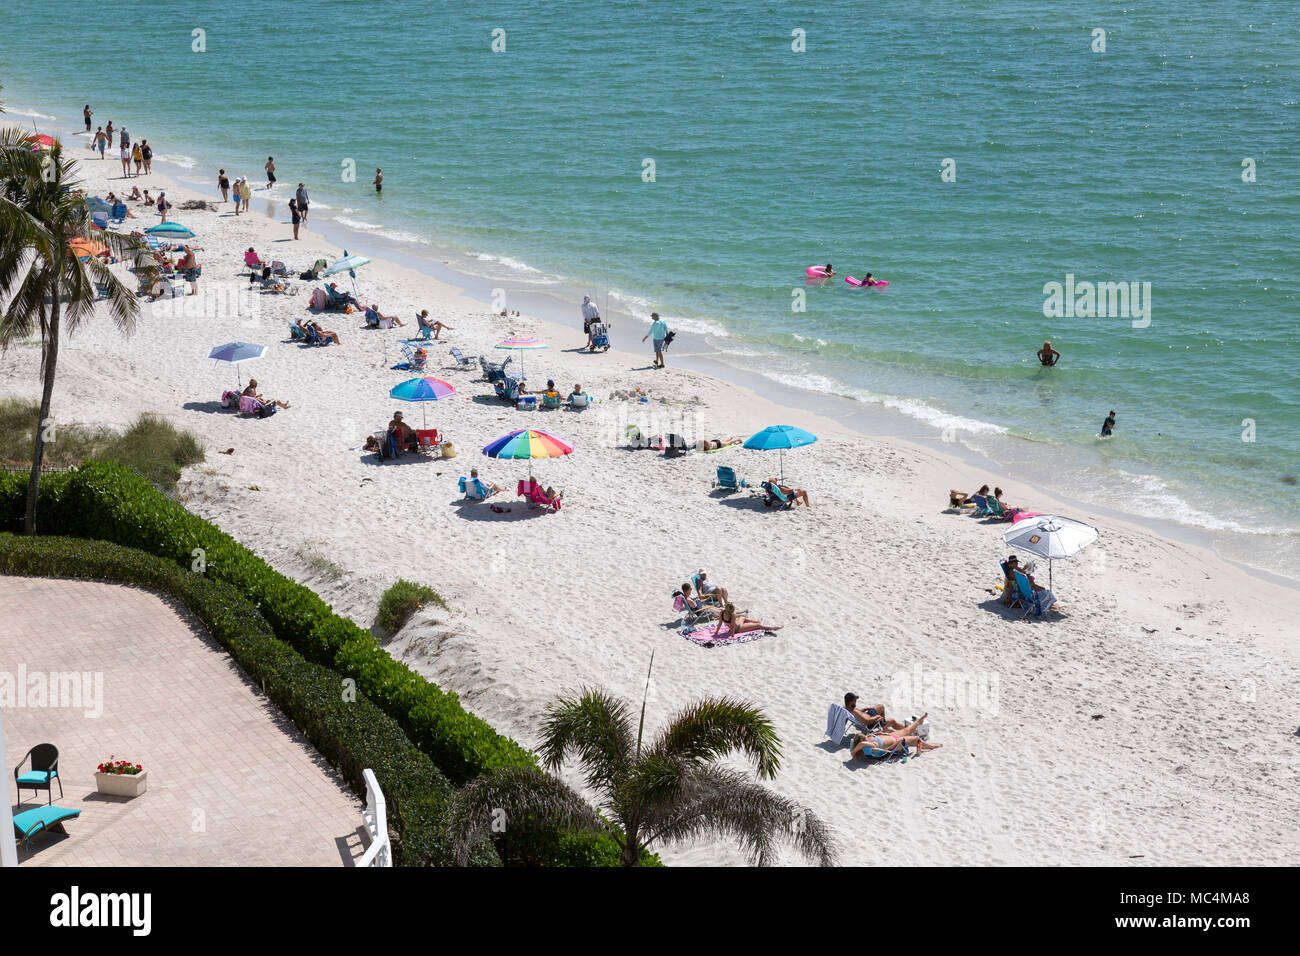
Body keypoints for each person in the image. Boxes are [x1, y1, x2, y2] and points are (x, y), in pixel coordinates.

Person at [850, 712, 942, 759]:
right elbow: (860, 746)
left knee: (908, 729)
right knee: (916, 739)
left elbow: (872, 735)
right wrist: (855, 750)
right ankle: (932, 746)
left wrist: (881, 733)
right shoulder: (870, 747)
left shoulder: (868, 739)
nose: (868, 737)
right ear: (863, 742)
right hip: (896, 744)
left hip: (890, 736)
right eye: (866, 738)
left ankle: (920, 720)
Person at [843, 693, 908, 732]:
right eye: (854, 700)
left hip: (867, 715)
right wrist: (877, 717)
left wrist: (866, 709)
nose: (855, 702)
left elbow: (858, 713)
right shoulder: (854, 712)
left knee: (880, 706)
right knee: (892, 721)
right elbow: (867, 721)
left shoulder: (846, 708)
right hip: (871, 723)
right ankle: (905, 730)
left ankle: (884, 725)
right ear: (850, 702)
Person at [712, 602, 780, 638]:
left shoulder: (722, 613)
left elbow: (720, 624)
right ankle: (773, 628)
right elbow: (732, 627)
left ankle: (757, 621)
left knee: (742, 618)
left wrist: (716, 632)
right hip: (738, 628)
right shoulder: (733, 615)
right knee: (758, 625)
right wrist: (732, 636)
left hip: (736, 626)